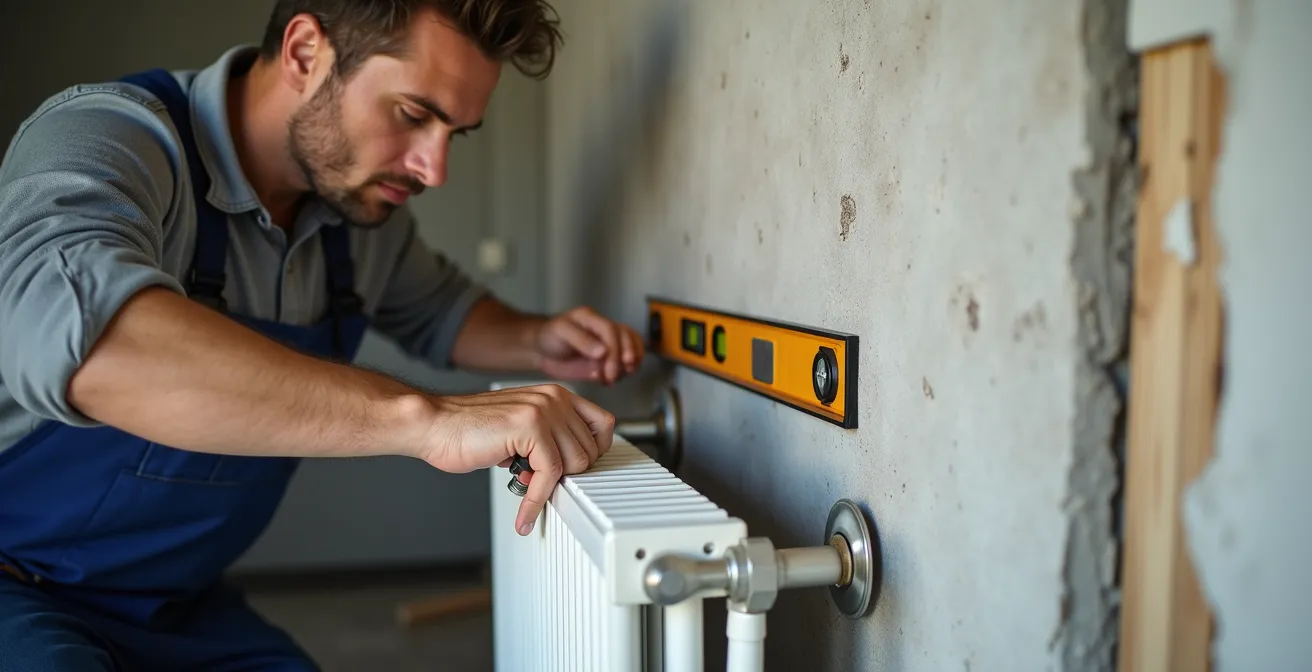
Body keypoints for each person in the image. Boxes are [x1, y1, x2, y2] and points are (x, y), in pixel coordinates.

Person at [0, 0, 642, 668]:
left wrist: (539, 340)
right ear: (305, 52)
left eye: (458, 134)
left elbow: (440, 312)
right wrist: (426, 420)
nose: (433, 169)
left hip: (175, 606)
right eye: (413, 115)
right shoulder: (107, 136)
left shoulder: (361, 222)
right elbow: (92, 349)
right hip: (15, 587)